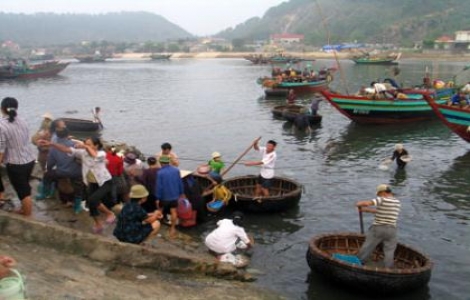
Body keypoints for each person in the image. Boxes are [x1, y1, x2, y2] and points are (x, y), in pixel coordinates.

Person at [38, 136, 116, 233]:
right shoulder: (83, 153)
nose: (86, 146)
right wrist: (52, 144)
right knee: (91, 204)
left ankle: (110, 214)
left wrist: (84, 146)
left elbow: (95, 156)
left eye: (89, 144)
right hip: (91, 183)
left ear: (96, 146)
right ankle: (98, 224)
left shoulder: (101, 154)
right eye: (86, 144)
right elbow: (66, 149)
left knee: (93, 199)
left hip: (105, 182)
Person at [0, 97, 37, 216]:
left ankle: (27, 215)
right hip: (30, 159)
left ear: (2, 109)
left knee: (23, 192)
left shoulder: (2, 126)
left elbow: (1, 150)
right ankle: (24, 208)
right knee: (24, 186)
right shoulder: (23, 120)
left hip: (15, 164)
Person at [356, 184, 401, 268]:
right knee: (389, 251)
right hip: (392, 230)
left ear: (383, 192)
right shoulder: (397, 202)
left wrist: (358, 204)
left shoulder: (382, 199)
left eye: (378, 194)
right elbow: (381, 211)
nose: (378, 196)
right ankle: (388, 268)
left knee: (368, 246)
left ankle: (358, 262)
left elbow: (367, 203)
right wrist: (366, 210)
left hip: (378, 228)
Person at [46, 124, 83, 212]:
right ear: (68, 134)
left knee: (58, 181)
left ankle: (65, 201)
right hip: (75, 172)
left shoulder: (53, 147)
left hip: (61, 171)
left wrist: (49, 169)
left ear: (57, 135)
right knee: (78, 185)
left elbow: (50, 162)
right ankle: (77, 205)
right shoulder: (75, 144)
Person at [155, 155, 184, 238]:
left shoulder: (160, 172)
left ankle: (157, 226)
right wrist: (181, 193)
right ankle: (172, 228)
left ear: (161, 163)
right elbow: (180, 183)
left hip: (164, 197)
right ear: (168, 162)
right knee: (173, 212)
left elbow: (159, 187)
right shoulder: (176, 170)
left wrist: (157, 198)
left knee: (159, 211)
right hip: (174, 196)